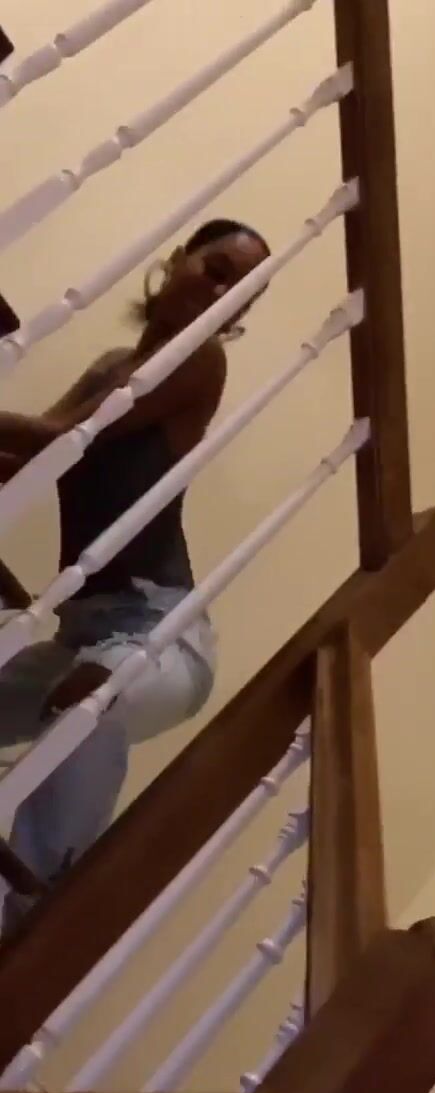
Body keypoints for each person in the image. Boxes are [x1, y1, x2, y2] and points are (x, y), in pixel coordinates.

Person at [0, 219, 271, 932]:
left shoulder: (201, 360)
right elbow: (34, 458)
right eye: (216, 269)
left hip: (159, 637)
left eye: (241, 292)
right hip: (83, 633)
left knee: (89, 702)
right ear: (177, 259)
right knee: (59, 682)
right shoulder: (113, 366)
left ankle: (27, 921)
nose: (222, 292)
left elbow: (68, 437)